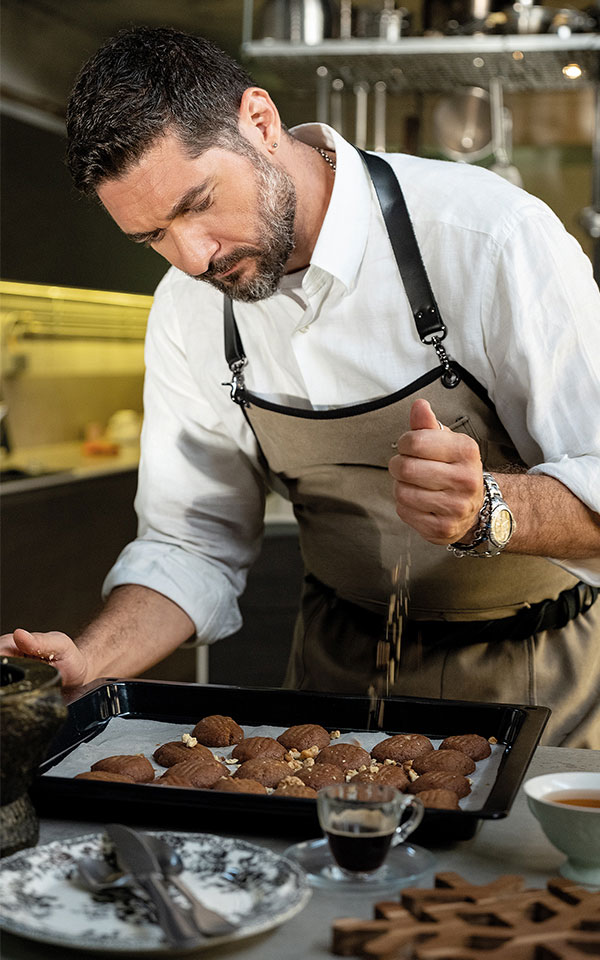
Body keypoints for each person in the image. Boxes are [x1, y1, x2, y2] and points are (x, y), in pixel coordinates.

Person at [2, 26, 599, 747]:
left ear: (260, 121)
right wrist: (90, 659)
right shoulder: (188, 308)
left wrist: (492, 509)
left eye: (197, 205)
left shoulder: (488, 237)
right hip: (330, 688)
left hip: (538, 684)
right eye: (153, 236)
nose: (193, 257)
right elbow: (192, 543)